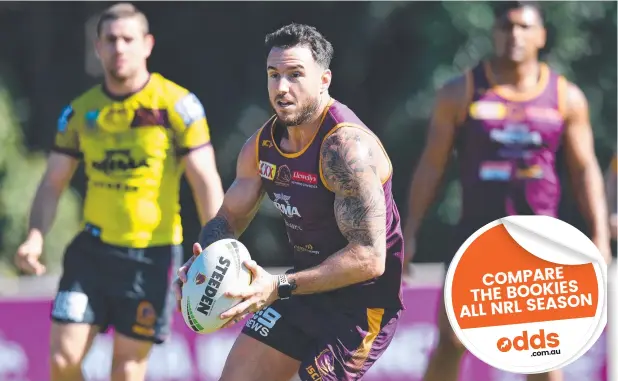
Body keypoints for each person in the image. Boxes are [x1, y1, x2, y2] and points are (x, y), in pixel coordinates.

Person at [174, 23, 404, 381]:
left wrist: (278, 286)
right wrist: (201, 263)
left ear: (324, 79)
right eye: (273, 75)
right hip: (302, 291)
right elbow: (229, 217)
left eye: (295, 74)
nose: (282, 88)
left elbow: (370, 258)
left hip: (359, 308)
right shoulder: (262, 145)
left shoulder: (345, 149)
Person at [13, 3, 225, 381]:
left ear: (147, 44)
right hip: (92, 253)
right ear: (98, 47)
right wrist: (34, 236)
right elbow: (52, 182)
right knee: (63, 360)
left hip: (152, 256)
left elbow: (205, 180)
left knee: (126, 370)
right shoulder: (80, 113)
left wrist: (219, 246)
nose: (119, 48)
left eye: (128, 39)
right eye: (110, 40)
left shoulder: (176, 105)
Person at [401, 2, 612, 381]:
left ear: (542, 35)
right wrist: (410, 231)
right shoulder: (460, 91)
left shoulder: (567, 97)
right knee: (452, 339)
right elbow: (432, 165)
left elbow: (584, 171)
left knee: (543, 351)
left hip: (541, 241)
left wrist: (598, 233)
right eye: (506, 27)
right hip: (477, 238)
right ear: (494, 32)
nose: (515, 35)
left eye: (524, 27)